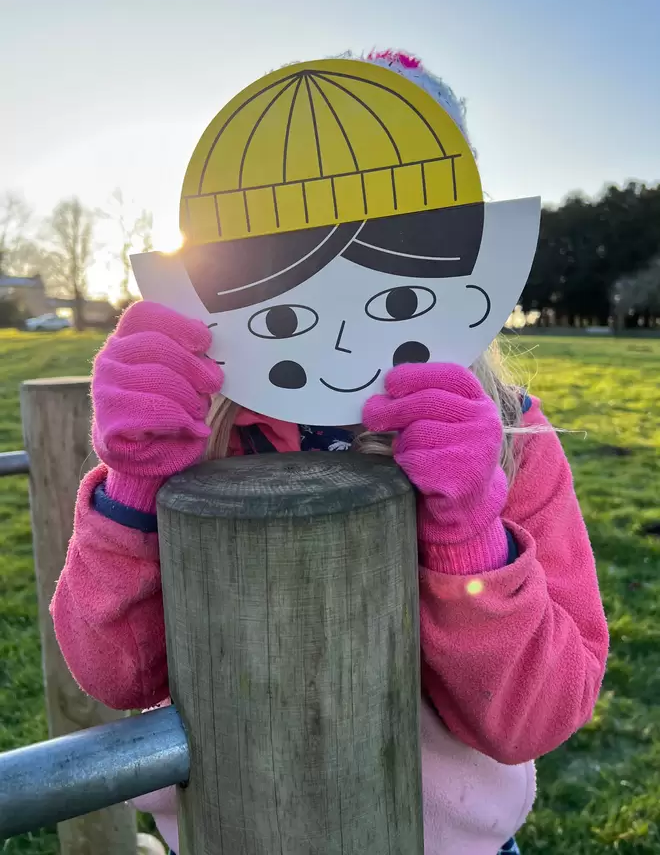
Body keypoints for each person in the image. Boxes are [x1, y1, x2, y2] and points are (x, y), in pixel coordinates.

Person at [50, 51, 609, 855]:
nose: (345, 331)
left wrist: (469, 536)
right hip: (225, 834)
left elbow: (539, 714)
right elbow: (113, 673)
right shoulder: (198, 430)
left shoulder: (510, 436)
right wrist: (137, 487)